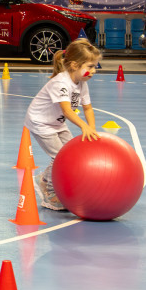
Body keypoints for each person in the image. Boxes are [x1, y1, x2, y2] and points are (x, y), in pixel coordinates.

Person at [24, 39, 101, 211]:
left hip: (57, 123)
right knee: (60, 157)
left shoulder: (81, 83)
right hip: (41, 122)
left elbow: (87, 108)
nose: (94, 71)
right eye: (90, 66)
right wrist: (83, 127)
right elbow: (67, 111)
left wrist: (92, 128)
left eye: (95, 66)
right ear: (74, 65)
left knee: (71, 153)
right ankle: (49, 193)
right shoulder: (61, 83)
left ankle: (43, 178)